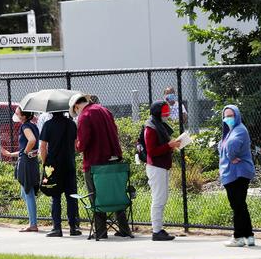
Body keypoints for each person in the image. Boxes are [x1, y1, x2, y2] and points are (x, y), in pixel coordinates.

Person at [71, 94, 132, 239]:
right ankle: (124, 228)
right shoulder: (105, 110)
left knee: (96, 196)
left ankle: (101, 231)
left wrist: (77, 145)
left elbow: (83, 143)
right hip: (114, 159)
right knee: (116, 193)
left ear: (76, 106)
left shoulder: (85, 115)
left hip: (95, 163)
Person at [218, 105, 256, 247]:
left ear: (237, 116)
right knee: (241, 205)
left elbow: (232, 144)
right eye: (226, 116)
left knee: (237, 205)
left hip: (236, 173)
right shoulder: (232, 130)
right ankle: (249, 236)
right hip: (237, 172)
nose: (228, 118)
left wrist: (230, 156)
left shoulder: (239, 130)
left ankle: (238, 237)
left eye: (231, 115)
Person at [39, 110, 80, 238]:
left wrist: (45, 161)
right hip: (69, 163)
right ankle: (73, 227)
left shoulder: (48, 125)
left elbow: (43, 146)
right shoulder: (72, 124)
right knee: (71, 196)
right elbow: (75, 144)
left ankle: (57, 228)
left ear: (51, 111)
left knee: (55, 196)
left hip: (53, 164)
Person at [144, 101, 181, 241]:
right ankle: (156, 231)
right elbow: (151, 151)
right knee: (158, 198)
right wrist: (168, 145)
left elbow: (161, 147)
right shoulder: (151, 128)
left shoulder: (159, 125)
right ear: (157, 112)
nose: (167, 114)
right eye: (164, 111)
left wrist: (171, 145)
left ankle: (158, 228)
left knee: (162, 198)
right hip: (156, 167)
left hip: (161, 166)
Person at [2, 107, 39, 232]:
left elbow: (32, 141)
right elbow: (27, 146)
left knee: (28, 193)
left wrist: (25, 153)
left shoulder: (25, 127)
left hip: (26, 163)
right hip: (30, 161)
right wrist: (11, 154)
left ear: (23, 116)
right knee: (25, 193)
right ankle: (32, 222)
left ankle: (33, 224)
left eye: (17, 113)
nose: (15, 115)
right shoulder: (33, 125)